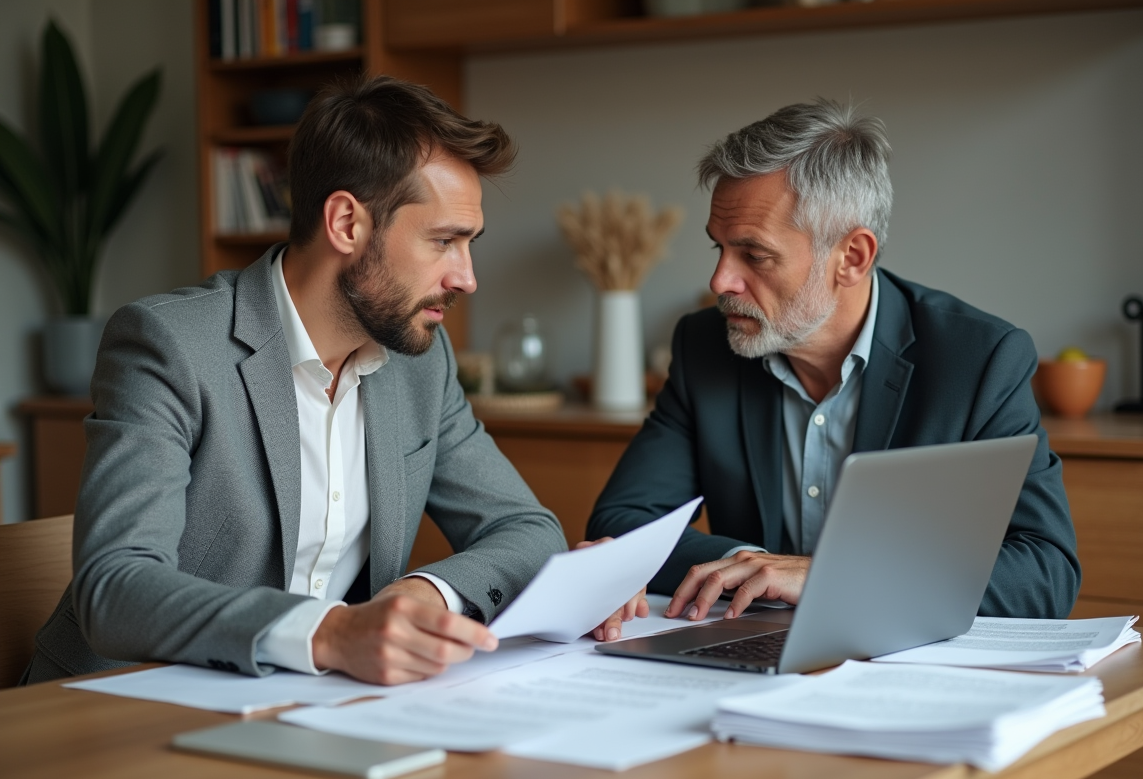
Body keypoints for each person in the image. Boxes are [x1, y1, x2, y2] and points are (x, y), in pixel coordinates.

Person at [23, 75, 566, 686]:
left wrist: (427, 593)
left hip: (304, 712)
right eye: (444, 241)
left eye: (469, 244)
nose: (467, 277)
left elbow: (529, 530)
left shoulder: (420, 363)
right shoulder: (168, 344)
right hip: (115, 709)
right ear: (345, 223)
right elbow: (114, 587)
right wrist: (330, 632)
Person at [586, 99, 1081, 642]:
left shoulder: (979, 359)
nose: (720, 280)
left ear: (852, 257)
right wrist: (749, 563)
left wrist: (832, 579)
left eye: (754, 255)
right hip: (751, 655)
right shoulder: (704, 345)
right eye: (720, 248)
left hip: (908, 669)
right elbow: (624, 523)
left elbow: (1044, 573)